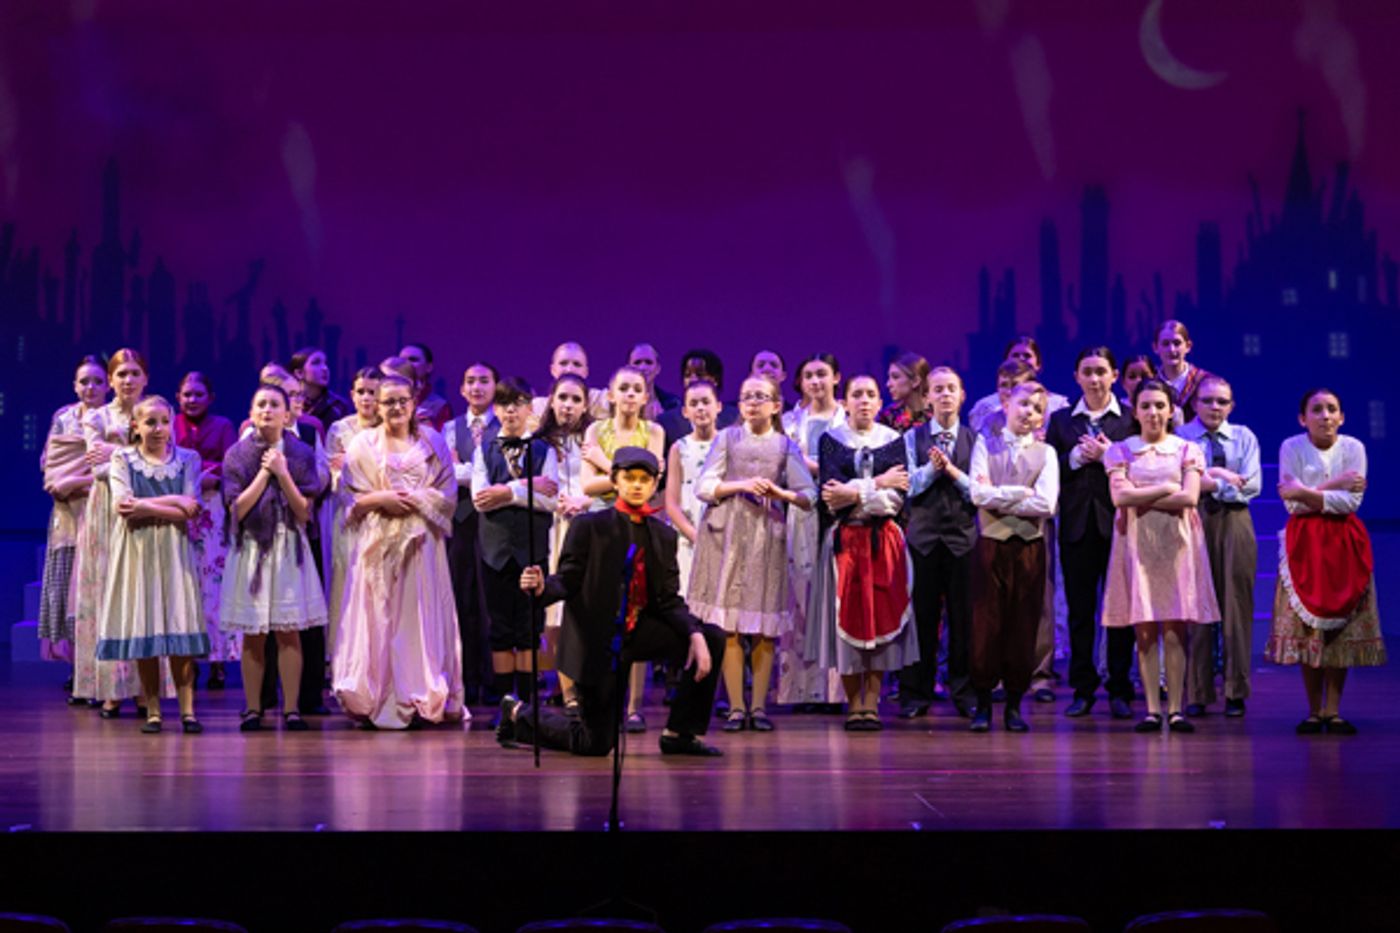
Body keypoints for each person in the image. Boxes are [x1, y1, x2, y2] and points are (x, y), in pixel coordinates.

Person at [501, 446, 725, 757]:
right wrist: (540, 588)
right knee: (594, 744)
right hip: (600, 642)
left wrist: (694, 634)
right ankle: (520, 714)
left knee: (711, 636)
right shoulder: (590, 526)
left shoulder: (663, 535)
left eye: (644, 479)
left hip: (641, 630)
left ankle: (679, 733)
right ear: (614, 481)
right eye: (629, 478)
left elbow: (668, 599)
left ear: (654, 484)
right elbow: (566, 580)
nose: (636, 485)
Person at [334, 375, 467, 729]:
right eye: (388, 401)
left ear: (413, 403)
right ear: (376, 406)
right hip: (377, 544)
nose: (396, 407)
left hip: (420, 545)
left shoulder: (432, 442)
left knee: (415, 618)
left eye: (402, 400)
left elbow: (447, 492)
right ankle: (375, 695)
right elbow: (348, 497)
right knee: (379, 616)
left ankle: (419, 693)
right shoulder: (363, 444)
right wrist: (381, 499)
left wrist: (412, 501)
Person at [689, 373, 816, 733]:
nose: (753, 402)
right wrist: (740, 485)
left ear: (776, 405)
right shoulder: (727, 438)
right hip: (727, 535)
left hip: (766, 535)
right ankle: (734, 707)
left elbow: (808, 494)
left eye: (761, 396)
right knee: (729, 624)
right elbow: (704, 485)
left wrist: (781, 493)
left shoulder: (784, 446)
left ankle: (758, 707)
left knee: (763, 626)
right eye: (747, 396)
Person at [1267, 388, 1386, 735]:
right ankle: (1312, 710)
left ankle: (1333, 709)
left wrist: (1304, 490)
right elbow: (1293, 506)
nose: (1325, 416)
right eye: (1316, 410)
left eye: (1332, 409)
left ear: (1342, 416)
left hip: (1344, 541)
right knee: (1309, 628)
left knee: (1338, 627)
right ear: (1303, 418)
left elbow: (1350, 503)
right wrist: (1333, 485)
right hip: (1304, 543)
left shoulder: (1353, 448)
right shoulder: (1292, 446)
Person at [1103, 379, 1219, 734]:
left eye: (1159, 406)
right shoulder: (1120, 450)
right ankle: (1152, 708)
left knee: (1174, 628)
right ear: (1135, 412)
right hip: (1137, 543)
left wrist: (1145, 493)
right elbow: (1119, 499)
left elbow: (1189, 498)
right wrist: (1168, 488)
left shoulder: (1186, 450)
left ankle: (1176, 708)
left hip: (1178, 543)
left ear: (1171, 411)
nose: (1153, 413)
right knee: (1145, 629)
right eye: (1146, 406)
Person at [805, 375, 919, 731]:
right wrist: (876, 485)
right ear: (847, 400)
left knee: (881, 619)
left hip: (883, 542)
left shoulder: (892, 441)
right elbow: (830, 496)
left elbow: (896, 498)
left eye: (871, 394)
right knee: (849, 623)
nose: (865, 401)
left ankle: (872, 703)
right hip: (845, 543)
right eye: (858, 395)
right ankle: (854, 703)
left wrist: (858, 492)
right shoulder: (832, 441)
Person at [948, 382, 1059, 733]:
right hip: (991, 545)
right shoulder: (986, 444)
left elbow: (1046, 504)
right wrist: (1018, 493)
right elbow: (979, 494)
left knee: (1022, 622)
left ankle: (1014, 703)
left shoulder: (1047, 453)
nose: (1028, 412)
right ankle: (983, 702)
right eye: (1023, 404)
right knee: (986, 623)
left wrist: (1001, 496)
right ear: (1007, 403)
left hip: (1028, 547)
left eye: (1036, 408)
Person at [220, 384, 329, 732]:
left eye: (274, 405)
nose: (267, 410)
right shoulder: (237, 454)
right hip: (252, 547)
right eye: (261, 405)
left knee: (288, 630)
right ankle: (254, 708)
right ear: (251, 413)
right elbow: (236, 508)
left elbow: (304, 511)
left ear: (287, 414)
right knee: (254, 634)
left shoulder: (299, 453)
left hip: (288, 546)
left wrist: (283, 472)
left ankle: (292, 708)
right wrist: (265, 473)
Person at [98, 396, 209, 734]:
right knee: (145, 625)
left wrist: (150, 505)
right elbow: (123, 505)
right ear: (136, 426)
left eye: (163, 421)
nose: (158, 429)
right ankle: (153, 710)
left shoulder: (188, 459)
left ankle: (188, 711)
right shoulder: (123, 457)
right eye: (149, 422)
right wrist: (174, 499)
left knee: (180, 627)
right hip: (138, 551)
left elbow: (191, 509)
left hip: (175, 550)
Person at [1045, 347, 1138, 720]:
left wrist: (1108, 458)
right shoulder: (1062, 420)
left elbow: (1141, 470)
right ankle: (1082, 689)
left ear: (1115, 374)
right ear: (1076, 376)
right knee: (1081, 612)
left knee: (1120, 611)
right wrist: (1074, 459)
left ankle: (1119, 687)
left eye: (1102, 371)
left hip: (1119, 526)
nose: (1095, 378)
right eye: (1088, 371)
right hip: (1077, 527)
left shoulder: (1130, 420)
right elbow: (1049, 470)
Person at [72, 349, 162, 715]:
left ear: (145, 378)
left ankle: (144, 688)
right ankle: (110, 687)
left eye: (134, 373)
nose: (127, 380)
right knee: (108, 597)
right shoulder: (96, 417)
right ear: (110, 380)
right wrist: (131, 454)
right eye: (121, 373)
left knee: (141, 598)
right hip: (107, 512)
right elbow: (97, 468)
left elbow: (160, 460)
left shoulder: (156, 412)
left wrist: (119, 453)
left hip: (144, 509)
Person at [580, 366, 665, 731]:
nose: (630, 394)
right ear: (611, 395)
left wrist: (605, 465)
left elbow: (653, 477)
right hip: (603, 526)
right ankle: (600, 698)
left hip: (639, 525)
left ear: (646, 397)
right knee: (600, 613)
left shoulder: (655, 431)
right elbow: (587, 487)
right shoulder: (595, 431)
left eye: (637, 389)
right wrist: (628, 477)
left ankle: (633, 705)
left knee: (636, 612)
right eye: (623, 388)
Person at [471, 377, 560, 710]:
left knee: (528, 627)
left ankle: (529, 703)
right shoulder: (485, 449)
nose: (511, 410)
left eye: (518, 403)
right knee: (500, 626)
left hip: (531, 550)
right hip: (494, 552)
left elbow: (550, 500)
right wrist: (528, 486)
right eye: (504, 403)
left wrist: (507, 491)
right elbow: (481, 499)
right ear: (496, 409)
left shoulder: (543, 449)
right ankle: (506, 706)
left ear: (529, 408)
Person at [1177, 376, 1261, 718]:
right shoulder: (1181, 438)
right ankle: (1197, 690)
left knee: (1236, 605)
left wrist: (1207, 484)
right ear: (1195, 403)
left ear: (1232, 405)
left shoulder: (1244, 436)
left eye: (1222, 401)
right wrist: (1223, 480)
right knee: (1195, 606)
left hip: (1236, 522)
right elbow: (1179, 483)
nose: (1215, 407)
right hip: (1191, 520)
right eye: (1208, 400)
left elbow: (1252, 485)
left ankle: (1235, 689)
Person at [897, 366, 978, 718]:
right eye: (938, 389)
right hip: (923, 538)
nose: (945, 395)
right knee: (921, 619)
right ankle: (917, 693)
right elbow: (908, 486)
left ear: (962, 395)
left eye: (951, 389)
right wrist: (933, 469)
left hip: (963, 539)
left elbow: (978, 490)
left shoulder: (977, 440)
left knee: (964, 620)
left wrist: (952, 471)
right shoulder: (911, 439)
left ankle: (964, 691)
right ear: (927, 397)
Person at [777, 353, 846, 709]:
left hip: (838, 510)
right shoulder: (790, 422)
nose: (816, 381)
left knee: (836, 598)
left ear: (836, 377)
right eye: (809, 376)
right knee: (800, 598)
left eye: (822, 374)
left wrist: (809, 463)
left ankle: (835, 690)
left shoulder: (847, 420)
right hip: (801, 512)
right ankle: (799, 690)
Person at [38, 356, 107, 683]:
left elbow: (119, 469)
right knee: (67, 594)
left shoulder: (113, 420)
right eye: (84, 381)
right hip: (67, 520)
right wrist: (80, 478)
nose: (90, 387)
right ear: (74, 385)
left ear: (107, 385)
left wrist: (76, 480)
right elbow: (51, 472)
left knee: (99, 596)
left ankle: (100, 668)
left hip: (102, 516)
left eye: (97, 381)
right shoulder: (64, 420)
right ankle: (78, 669)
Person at [174, 371, 238, 689]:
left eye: (198, 394)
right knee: (187, 583)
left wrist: (213, 478)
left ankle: (218, 660)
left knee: (214, 584)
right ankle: (188, 656)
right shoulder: (170, 424)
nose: (192, 400)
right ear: (178, 397)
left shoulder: (223, 426)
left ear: (209, 397)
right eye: (187, 394)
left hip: (213, 510)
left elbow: (231, 466)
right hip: (180, 508)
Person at [538, 373, 598, 709]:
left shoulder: (594, 439)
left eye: (576, 399)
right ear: (552, 400)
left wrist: (583, 502)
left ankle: (586, 682)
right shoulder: (540, 440)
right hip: (553, 529)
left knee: (584, 609)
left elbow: (608, 483)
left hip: (587, 527)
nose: (568, 405)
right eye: (563, 398)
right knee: (555, 613)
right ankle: (564, 688)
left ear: (585, 404)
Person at [443, 361, 500, 704]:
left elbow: (500, 473)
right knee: (462, 598)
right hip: (462, 522)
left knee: (489, 600)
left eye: (484, 381)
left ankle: (494, 680)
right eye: (470, 381)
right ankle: (466, 678)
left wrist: (467, 470)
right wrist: (475, 472)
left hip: (493, 522)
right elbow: (449, 473)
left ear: (495, 386)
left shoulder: (504, 425)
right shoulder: (451, 428)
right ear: (462, 389)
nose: (477, 387)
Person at [325, 366, 383, 652]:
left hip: (382, 514)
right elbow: (331, 474)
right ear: (352, 394)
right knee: (346, 582)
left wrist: (352, 465)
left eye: (373, 392)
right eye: (361, 392)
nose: (367, 398)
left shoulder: (389, 429)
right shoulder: (340, 429)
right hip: (348, 515)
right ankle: (344, 653)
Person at [663, 378, 722, 595]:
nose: (700, 408)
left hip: (721, 533)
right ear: (685, 411)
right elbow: (671, 502)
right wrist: (693, 534)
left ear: (718, 407)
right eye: (694, 403)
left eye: (706, 402)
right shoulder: (680, 448)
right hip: (688, 536)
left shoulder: (729, 444)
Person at [966, 336, 1070, 432]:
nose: (1021, 359)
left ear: (1038, 365)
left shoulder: (1058, 405)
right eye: (1015, 355)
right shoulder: (985, 407)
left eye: (1027, 355)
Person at [1153, 320, 1214, 424]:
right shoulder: (1150, 382)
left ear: (1188, 346)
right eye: (1165, 344)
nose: (1172, 350)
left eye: (1177, 343)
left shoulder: (1205, 382)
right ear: (1155, 348)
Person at [291, 346, 352, 430]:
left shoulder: (338, 406)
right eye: (316, 363)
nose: (325, 368)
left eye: (325, 363)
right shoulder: (289, 403)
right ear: (299, 373)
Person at [400, 341, 453, 430]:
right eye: (402, 360)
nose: (406, 364)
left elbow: (443, 441)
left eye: (413, 360)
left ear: (429, 367)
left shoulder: (439, 406)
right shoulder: (385, 400)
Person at [878, 352, 932, 432]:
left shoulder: (937, 414)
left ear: (915, 381)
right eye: (889, 377)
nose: (888, 384)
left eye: (895, 377)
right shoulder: (887, 416)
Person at [627, 342, 681, 416]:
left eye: (648, 362)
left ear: (657, 369)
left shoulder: (672, 404)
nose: (643, 367)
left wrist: (664, 420)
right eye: (637, 363)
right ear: (628, 368)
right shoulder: (617, 402)